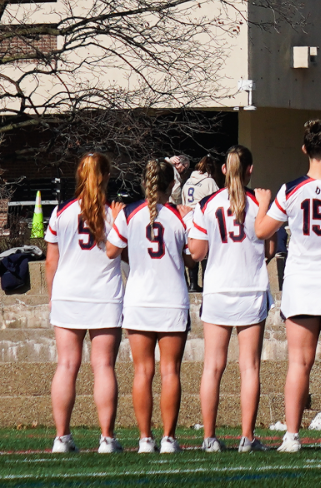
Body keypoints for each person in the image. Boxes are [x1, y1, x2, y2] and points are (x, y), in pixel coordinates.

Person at [253, 120, 321, 453]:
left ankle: (292, 437)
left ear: (304, 150)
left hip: (301, 280)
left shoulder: (290, 190)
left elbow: (262, 231)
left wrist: (260, 205)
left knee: (298, 362)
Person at [185, 145, 273, 452]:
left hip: (219, 289)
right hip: (250, 288)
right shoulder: (258, 201)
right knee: (249, 367)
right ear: (249, 170)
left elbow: (196, 252)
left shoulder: (208, 204)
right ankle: (247, 437)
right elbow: (270, 250)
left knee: (213, 366)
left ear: (223, 169)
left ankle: (209, 438)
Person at [107, 158, 191, 453]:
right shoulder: (181, 216)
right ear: (171, 185)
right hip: (172, 300)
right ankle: (168, 439)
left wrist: (137, 256)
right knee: (170, 371)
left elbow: (111, 251)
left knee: (142, 371)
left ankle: (145, 439)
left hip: (140, 299)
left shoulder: (129, 213)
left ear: (145, 184)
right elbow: (192, 257)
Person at [46, 152, 125, 454]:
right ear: (105, 176)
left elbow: (51, 261)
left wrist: (53, 296)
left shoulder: (61, 212)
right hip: (104, 295)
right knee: (103, 366)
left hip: (68, 294)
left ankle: (61, 438)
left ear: (79, 175)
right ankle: (106, 438)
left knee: (66, 365)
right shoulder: (115, 213)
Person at [179, 155, 219, 292]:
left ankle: (192, 284)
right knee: (204, 251)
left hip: (187, 216)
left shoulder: (188, 181)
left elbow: (183, 199)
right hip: (201, 216)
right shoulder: (209, 182)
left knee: (191, 249)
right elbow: (216, 200)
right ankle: (207, 283)